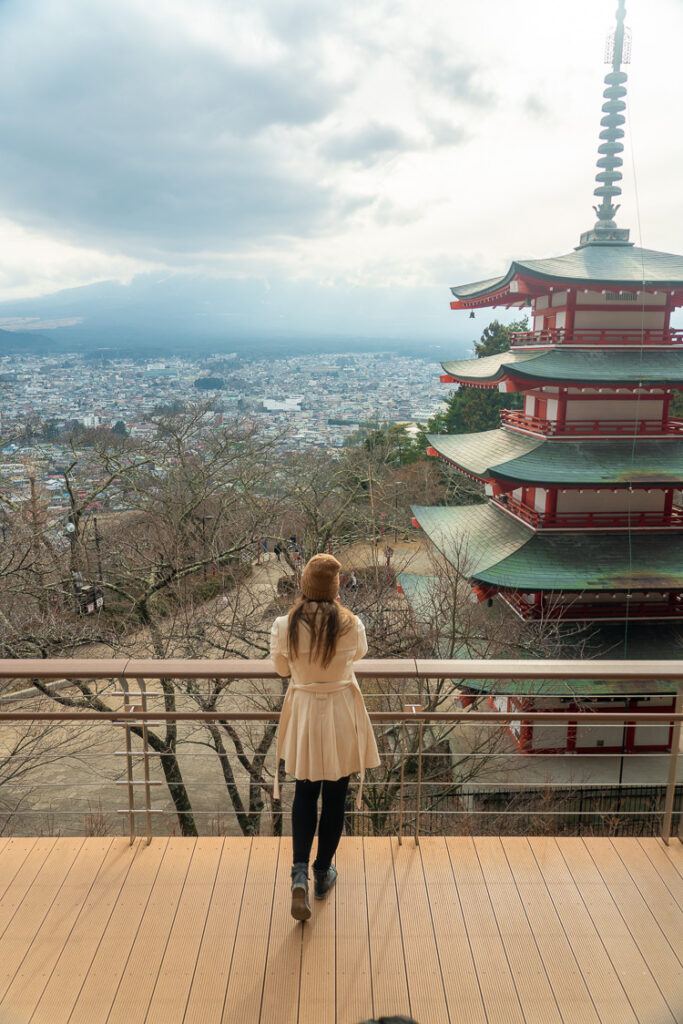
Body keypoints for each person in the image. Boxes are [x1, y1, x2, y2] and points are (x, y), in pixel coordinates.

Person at [270, 553, 381, 922]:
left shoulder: (285, 625)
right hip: (340, 713)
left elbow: (282, 668)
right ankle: (322, 872)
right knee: (335, 796)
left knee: (304, 791)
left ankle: (298, 872)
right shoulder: (351, 625)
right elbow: (359, 656)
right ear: (335, 590)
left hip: (305, 711)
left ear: (304, 586)